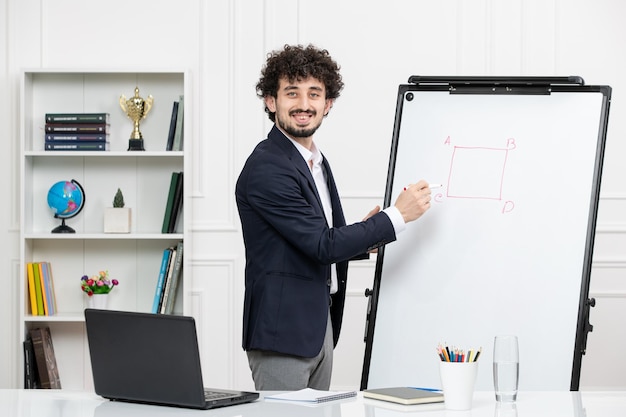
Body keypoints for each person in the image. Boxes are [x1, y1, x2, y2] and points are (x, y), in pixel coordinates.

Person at [235, 44, 432, 390]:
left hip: (317, 327)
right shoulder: (268, 167)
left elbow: (310, 240)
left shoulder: (315, 162)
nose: (304, 105)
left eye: (314, 94)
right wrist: (395, 217)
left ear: (327, 104)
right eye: (291, 93)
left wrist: (368, 237)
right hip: (283, 334)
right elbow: (322, 245)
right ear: (271, 101)